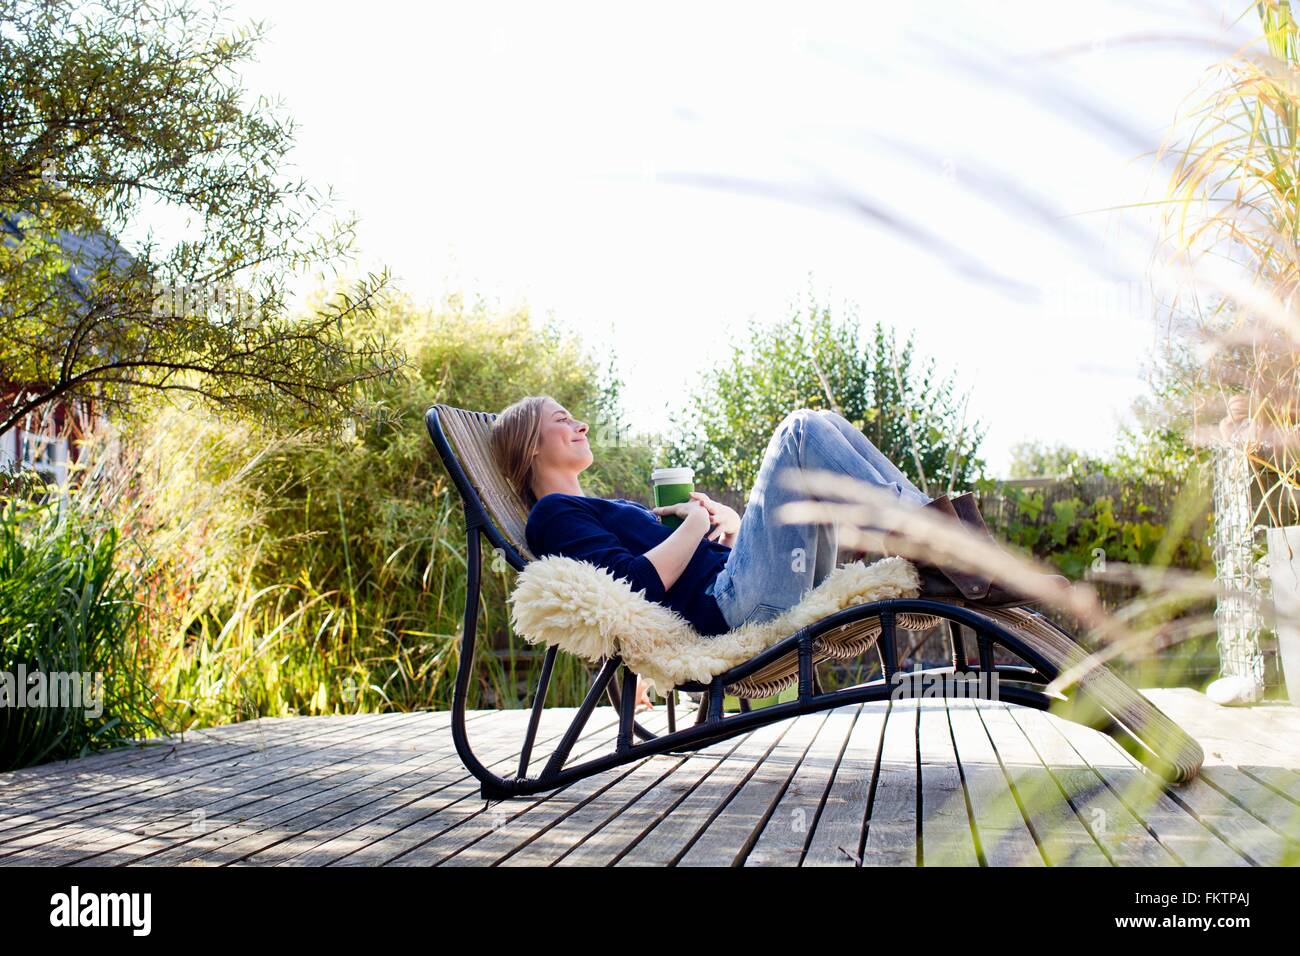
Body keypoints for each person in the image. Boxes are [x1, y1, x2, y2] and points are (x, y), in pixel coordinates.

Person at [489, 394, 1060, 707]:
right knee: (800, 430)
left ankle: (952, 553)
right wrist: (690, 525)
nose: (581, 423)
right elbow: (636, 584)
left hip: (746, 588)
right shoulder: (554, 514)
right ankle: (959, 556)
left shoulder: (599, 509)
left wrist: (732, 531)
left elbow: (673, 567)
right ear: (530, 447)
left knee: (821, 427)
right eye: (563, 420)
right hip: (730, 611)